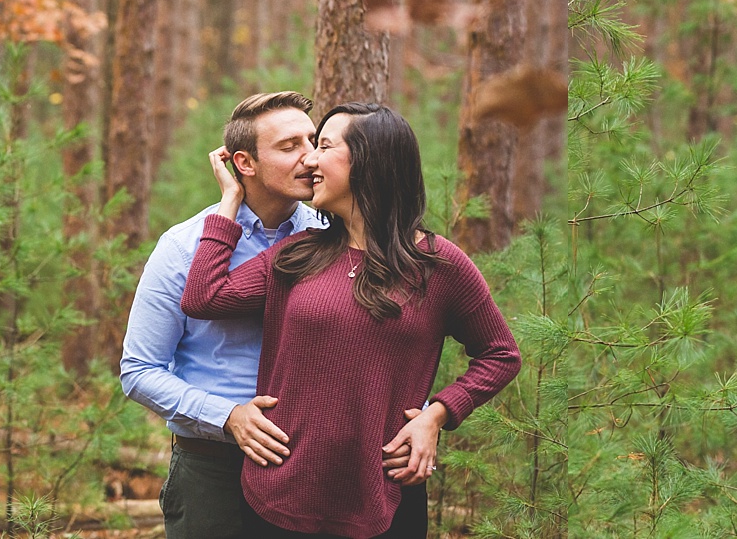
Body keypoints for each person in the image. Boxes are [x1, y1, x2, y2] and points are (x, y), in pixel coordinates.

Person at [182, 102, 522, 539]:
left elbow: (501, 355)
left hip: (383, 493)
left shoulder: (437, 265)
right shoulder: (296, 254)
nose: (309, 159)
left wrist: (435, 416)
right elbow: (204, 297)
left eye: (323, 145)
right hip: (277, 494)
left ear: (369, 161)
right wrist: (230, 200)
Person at [120, 92, 410, 539]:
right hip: (213, 471)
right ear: (245, 163)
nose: (310, 157)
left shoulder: (333, 237)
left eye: (313, 141)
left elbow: (389, 341)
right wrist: (227, 415)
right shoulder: (182, 248)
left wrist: (427, 413)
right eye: (289, 146)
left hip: (314, 469)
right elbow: (139, 371)